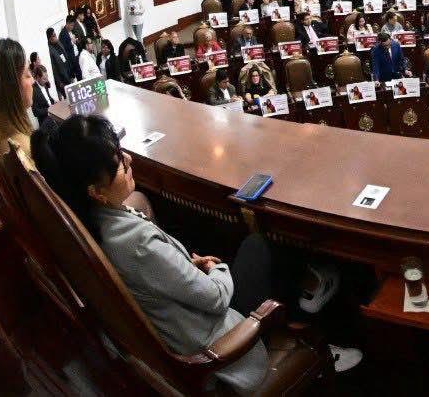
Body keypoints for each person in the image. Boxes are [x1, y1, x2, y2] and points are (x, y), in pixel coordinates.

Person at [32, 115, 360, 389]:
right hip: (217, 341)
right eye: (119, 163)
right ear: (96, 191)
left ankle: (310, 288)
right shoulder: (135, 245)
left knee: (235, 245)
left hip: (189, 317)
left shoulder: (98, 220)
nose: (129, 160)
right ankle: (314, 327)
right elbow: (216, 297)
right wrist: (213, 269)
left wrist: (188, 265)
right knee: (260, 245)